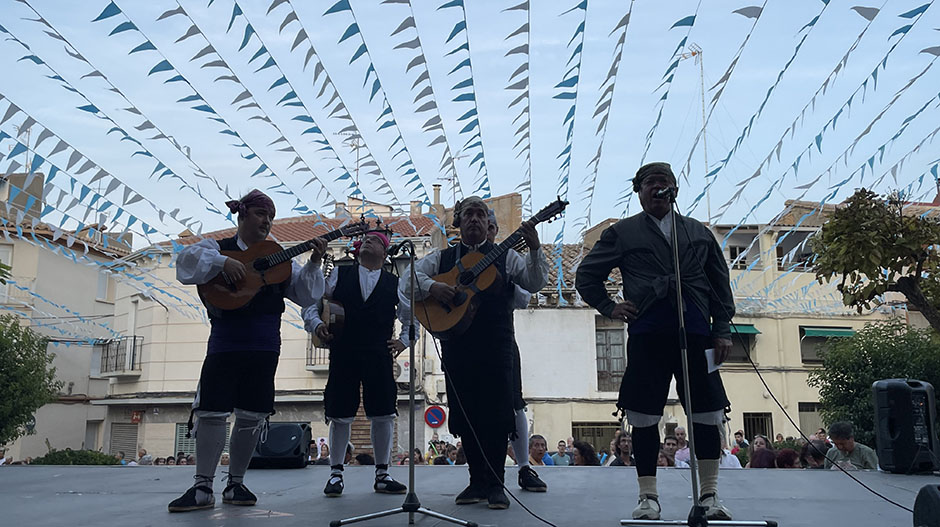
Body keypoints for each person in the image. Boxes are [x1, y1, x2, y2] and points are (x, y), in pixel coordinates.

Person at [576, 162, 736, 522]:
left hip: (697, 331)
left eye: (665, 183)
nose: (658, 188)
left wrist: (722, 328)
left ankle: (709, 495)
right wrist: (609, 307)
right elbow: (586, 276)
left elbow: (719, 283)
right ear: (639, 191)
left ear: (675, 190)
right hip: (647, 332)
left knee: (708, 413)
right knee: (645, 415)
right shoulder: (623, 232)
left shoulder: (697, 231)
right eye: (650, 183)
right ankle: (648, 497)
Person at [168, 189, 324, 513]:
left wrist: (315, 260)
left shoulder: (279, 257)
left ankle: (235, 482)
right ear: (242, 215)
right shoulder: (217, 248)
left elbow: (307, 294)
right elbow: (186, 264)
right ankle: (202, 486)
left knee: (252, 415)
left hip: (266, 345)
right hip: (226, 341)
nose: (266, 221)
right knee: (212, 411)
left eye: (271, 216)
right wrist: (224, 262)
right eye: (260, 214)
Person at [404, 195, 547, 510]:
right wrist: (433, 288)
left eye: (480, 214)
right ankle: (476, 481)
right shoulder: (440, 259)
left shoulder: (505, 255)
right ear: (457, 222)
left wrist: (535, 248)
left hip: (497, 343)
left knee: (497, 414)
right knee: (466, 413)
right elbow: (406, 283)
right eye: (468, 214)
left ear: (488, 223)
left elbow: (535, 283)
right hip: (457, 343)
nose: (474, 219)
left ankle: (496, 484)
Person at [304, 230, 411, 498]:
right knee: (340, 413)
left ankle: (383, 474)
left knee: (384, 412)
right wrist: (317, 326)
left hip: (378, 352)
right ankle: (335, 474)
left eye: (375, 240)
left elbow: (412, 315)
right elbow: (312, 302)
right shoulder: (339, 274)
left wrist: (405, 341)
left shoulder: (394, 283)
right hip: (344, 350)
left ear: (385, 254)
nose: (368, 241)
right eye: (366, 239)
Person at [488, 210, 548, 492]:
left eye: (490, 226)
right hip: (464, 342)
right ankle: (485, 473)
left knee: (514, 402)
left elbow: (525, 298)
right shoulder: (454, 260)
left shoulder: (508, 261)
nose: (484, 230)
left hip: (501, 339)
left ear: (495, 231)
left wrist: (532, 252)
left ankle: (524, 466)